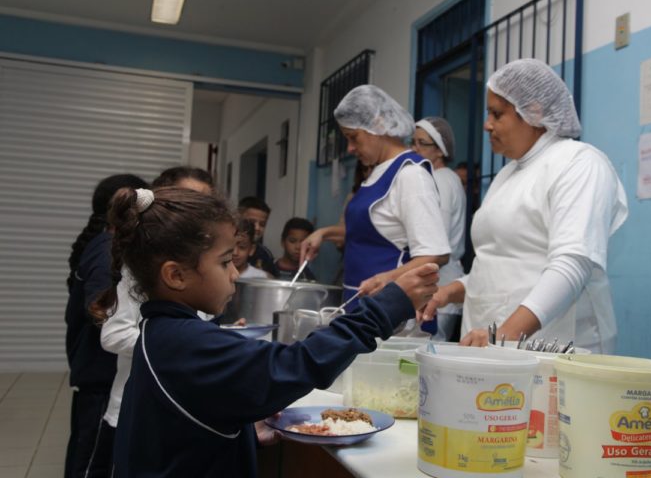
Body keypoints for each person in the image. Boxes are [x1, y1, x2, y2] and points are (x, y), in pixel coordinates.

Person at [91, 186, 438, 476]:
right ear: (176, 275)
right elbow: (300, 363)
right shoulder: (186, 342)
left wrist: (243, 432)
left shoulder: (158, 331)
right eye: (225, 262)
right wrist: (386, 307)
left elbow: (184, 433)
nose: (234, 274)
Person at [421, 59, 628, 354]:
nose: (487, 124)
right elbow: (499, 265)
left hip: (552, 348)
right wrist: (448, 292)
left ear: (535, 112)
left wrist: (504, 336)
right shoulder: (507, 175)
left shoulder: (579, 163)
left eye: (497, 114)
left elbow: (573, 263)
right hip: (491, 346)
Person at [300, 85, 450, 336]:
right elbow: (369, 234)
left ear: (379, 125)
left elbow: (435, 255)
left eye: (353, 137)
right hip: (365, 309)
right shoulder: (378, 172)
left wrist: (389, 278)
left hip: (394, 316)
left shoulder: (410, 175)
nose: (350, 148)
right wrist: (323, 233)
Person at [97, 167, 217, 458]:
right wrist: (178, 345)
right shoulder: (144, 265)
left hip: (178, 410)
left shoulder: (199, 263)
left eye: (205, 203)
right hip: (135, 411)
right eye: (189, 199)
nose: (198, 210)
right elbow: (113, 335)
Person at [65, 173, 148, 478]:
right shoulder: (107, 251)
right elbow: (102, 316)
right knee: (90, 462)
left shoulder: (106, 245)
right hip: (101, 375)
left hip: (97, 372)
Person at [411, 117, 466, 341]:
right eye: (413, 142)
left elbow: (435, 239)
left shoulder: (440, 180)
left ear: (440, 150)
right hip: (442, 282)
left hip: (440, 284)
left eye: (422, 143)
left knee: (428, 350)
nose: (415, 148)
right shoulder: (446, 178)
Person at [238, 196, 278, 277]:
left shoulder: (265, 255)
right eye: (252, 222)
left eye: (262, 224)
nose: (257, 228)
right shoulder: (226, 248)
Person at [273, 217, 317, 282]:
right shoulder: (268, 265)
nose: (298, 247)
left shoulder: (307, 276)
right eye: (292, 241)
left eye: (303, 243)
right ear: (282, 242)